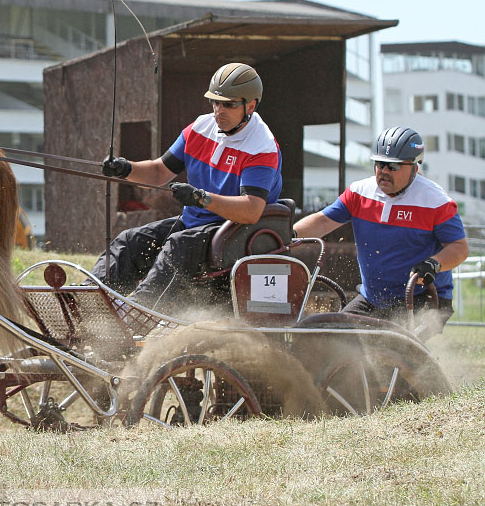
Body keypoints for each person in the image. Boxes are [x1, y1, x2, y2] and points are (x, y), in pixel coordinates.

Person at [94, 62, 282, 311]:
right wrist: (127, 169)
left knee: (177, 245)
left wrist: (201, 198)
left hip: (231, 233)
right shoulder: (199, 129)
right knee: (128, 241)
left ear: (250, 105)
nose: (219, 111)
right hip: (193, 226)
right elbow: (160, 171)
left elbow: (251, 211)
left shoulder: (261, 146)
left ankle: (135, 314)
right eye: (215, 102)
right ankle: (90, 301)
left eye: (228, 104)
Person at [293, 126, 468, 336]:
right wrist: (286, 237)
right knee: (334, 340)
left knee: (390, 354)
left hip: (424, 298)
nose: (384, 171)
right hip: (373, 298)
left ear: (414, 167)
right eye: (380, 163)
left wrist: (434, 263)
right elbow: (322, 222)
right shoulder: (359, 193)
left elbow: (459, 248)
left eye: (393, 166)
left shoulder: (436, 202)